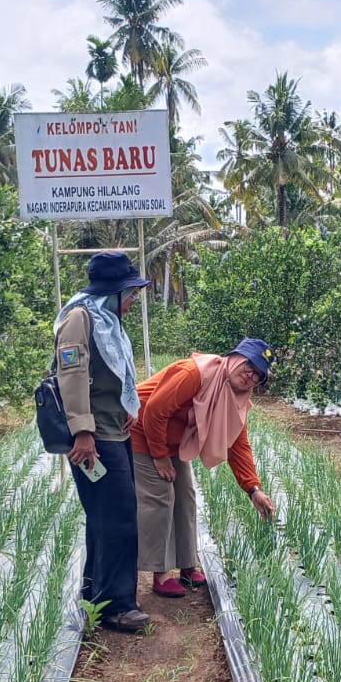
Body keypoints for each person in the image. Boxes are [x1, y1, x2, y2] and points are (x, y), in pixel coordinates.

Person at [130, 339, 279, 598]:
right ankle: (160, 573)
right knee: (160, 497)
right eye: (249, 365)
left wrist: (253, 489)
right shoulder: (195, 373)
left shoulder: (237, 399)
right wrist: (160, 456)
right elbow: (154, 410)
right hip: (140, 429)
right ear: (234, 358)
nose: (250, 375)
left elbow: (238, 444)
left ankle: (187, 565)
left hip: (171, 442)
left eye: (258, 374)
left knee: (186, 496)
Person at [55, 251, 151, 632]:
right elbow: (72, 374)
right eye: (130, 292)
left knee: (104, 517)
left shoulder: (108, 321)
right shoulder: (80, 318)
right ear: (110, 291)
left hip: (115, 431)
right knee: (119, 518)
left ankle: (95, 593)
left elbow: (113, 372)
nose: (133, 299)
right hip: (95, 438)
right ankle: (117, 606)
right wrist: (82, 430)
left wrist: (129, 404)